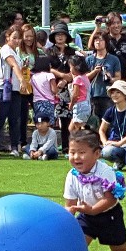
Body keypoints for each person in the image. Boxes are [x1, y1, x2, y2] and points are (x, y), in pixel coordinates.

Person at [0, 26, 24, 159]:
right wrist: (23, 81)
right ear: (8, 37)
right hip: (4, 89)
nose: (16, 40)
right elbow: (13, 65)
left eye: (18, 38)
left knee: (14, 120)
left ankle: (14, 147)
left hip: (15, 90)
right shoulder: (5, 49)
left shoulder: (16, 51)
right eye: (14, 37)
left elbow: (19, 65)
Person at [99, 80, 126, 171]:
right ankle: (120, 161)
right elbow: (101, 130)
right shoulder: (110, 111)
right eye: (112, 92)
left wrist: (120, 143)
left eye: (118, 92)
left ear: (125, 94)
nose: (114, 95)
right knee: (106, 151)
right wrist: (105, 143)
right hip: (116, 146)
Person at [46, 22, 76, 154]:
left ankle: (69, 147)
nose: (59, 37)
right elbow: (48, 68)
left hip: (69, 88)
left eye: (62, 34)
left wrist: (65, 79)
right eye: (57, 34)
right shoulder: (49, 51)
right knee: (56, 119)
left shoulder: (72, 51)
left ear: (66, 36)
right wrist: (61, 76)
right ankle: (56, 147)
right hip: (53, 87)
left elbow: (76, 69)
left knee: (70, 119)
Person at [88, 13, 126, 82]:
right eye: (113, 23)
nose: (116, 26)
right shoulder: (104, 38)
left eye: (118, 23)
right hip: (105, 78)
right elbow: (90, 46)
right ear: (108, 25)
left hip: (122, 79)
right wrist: (97, 27)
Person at [86, 30, 122, 119]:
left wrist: (111, 78)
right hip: (92, 95)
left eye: (101, 40)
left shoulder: (114, 59)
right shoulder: (89, 59)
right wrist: (94, 72)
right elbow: (84, 78)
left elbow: (119, 77)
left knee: (107, 122)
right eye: (96, 40)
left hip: (108, 95)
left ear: (106, 42)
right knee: (92, 124)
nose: (98, 42)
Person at [67, 55, 92, 133]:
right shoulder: (84, 77)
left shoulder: (77, 79)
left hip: (80, 105)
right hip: (86, 103)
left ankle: (83, 143)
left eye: (71, 67)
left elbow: (75, 95)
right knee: (72, 128)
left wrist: (71, 105)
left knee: (78, 130)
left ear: (76, 67)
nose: (70, 70)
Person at [30, 56, 58, 125]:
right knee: (48, 123)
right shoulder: (49, 75)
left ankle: (39, 135)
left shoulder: (34, 76)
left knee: (39, 122)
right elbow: (54, 90)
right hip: (48, 102)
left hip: (36, 102)